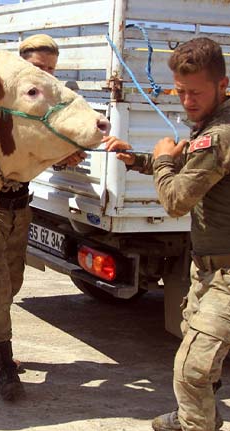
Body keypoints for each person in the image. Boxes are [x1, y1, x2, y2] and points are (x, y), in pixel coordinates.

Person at [105, 37, 230, 431]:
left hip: (226, 276)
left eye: (196, 92)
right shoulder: (209, 124)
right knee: (199, 355)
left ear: (223, 85)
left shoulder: (220, 134)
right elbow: (192, 166)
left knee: (192, 367)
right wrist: (140, 159)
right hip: (208, 270)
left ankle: (198, 424)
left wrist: (159, 160)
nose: (187, 101)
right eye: (180, 92)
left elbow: (176, 199)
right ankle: (200, 416)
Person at [0, 34, 85, 401]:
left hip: (22, 207)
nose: (45, 75)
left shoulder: (47, 109)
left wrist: (64, 154)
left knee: (13, 282)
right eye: (38, 68)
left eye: (51, 69)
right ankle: (4, 365)